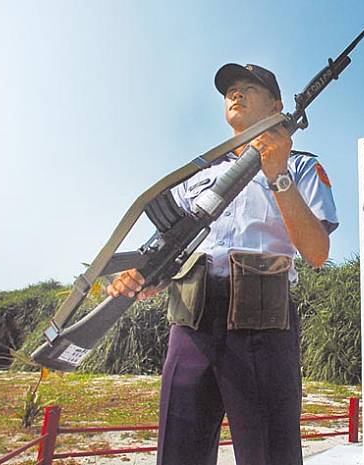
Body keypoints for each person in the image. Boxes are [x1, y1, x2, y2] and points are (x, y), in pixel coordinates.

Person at [107, 63, 338, 465]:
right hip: (190, 322)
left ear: (278, 105)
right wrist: (145, 276)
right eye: (231, 90)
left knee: (269, 453)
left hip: (262, 321)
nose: (236, 94)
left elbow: (317, 252)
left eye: (249, 87)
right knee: (179, 451)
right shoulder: (199, 173)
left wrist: (277, 173)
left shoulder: (300, 166)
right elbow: (169, 245)